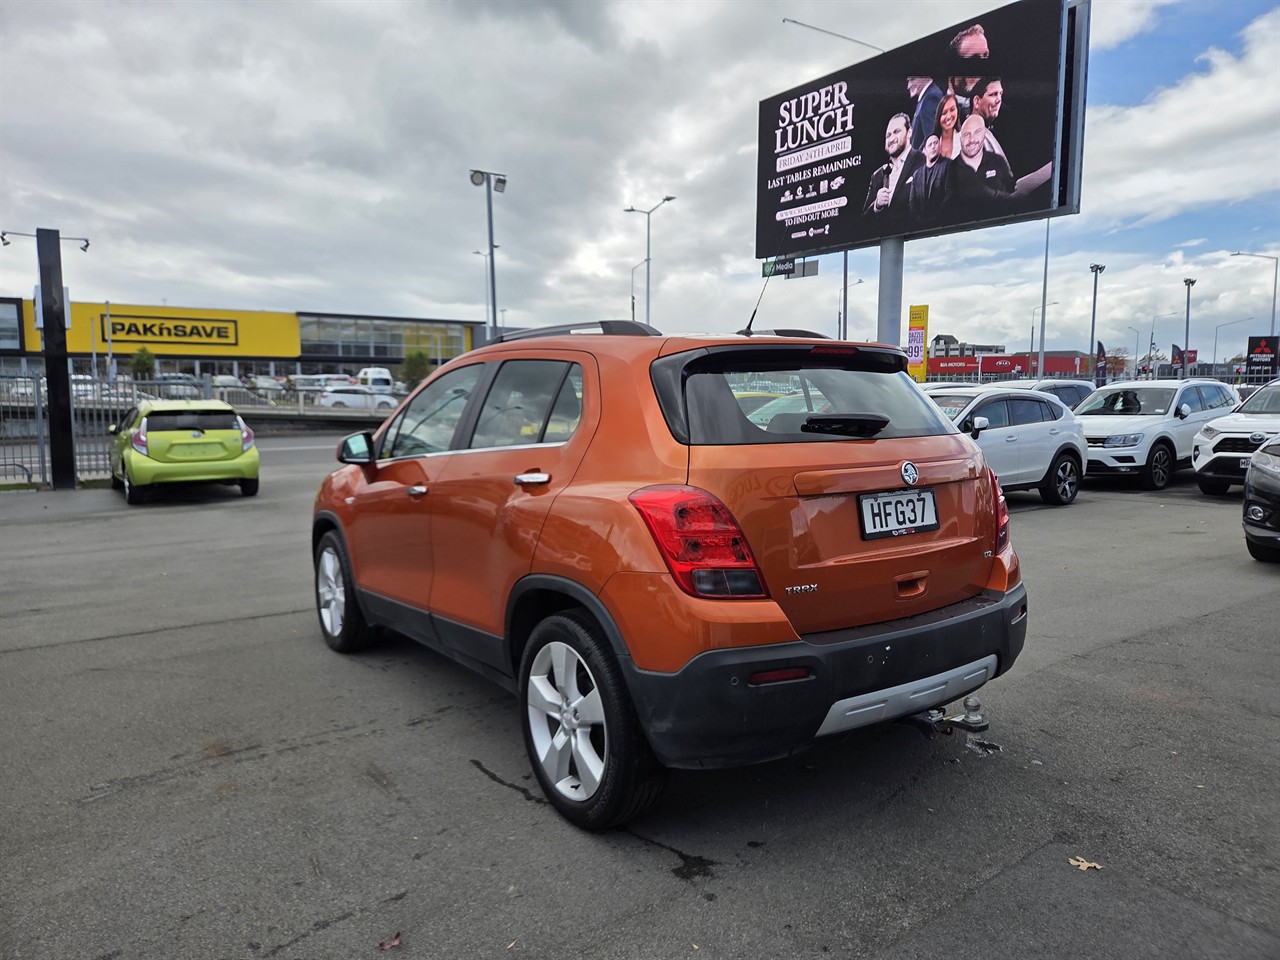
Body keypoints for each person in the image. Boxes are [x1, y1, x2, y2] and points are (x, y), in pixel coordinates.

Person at [861, 113, 924, 234]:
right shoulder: (877, 176)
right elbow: (862, 222)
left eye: (897, 132)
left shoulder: (923, 161)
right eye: (888, 135)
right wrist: (877, 205)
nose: (891, 139)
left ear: (909, 132)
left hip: (915, 239)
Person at [945, 114, 1015, 220]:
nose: (972, 139)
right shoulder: (951, 168)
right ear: (961, 138)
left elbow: (1013, 196)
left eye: (977, 132)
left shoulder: (997, 160)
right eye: (967, 134)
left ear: (983, 134)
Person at [907, 134, 950, 225]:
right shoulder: (917, 174)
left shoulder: (949, 165)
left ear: (940, 146)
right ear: (925, 151)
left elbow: (950, 196)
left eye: (936, 143)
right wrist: (919, 221)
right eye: (930, 145)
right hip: (920, 227)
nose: (933, 146)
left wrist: (935, 220)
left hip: (942, 224)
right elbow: (912, 203)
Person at [907, 76, 945, 153]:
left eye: (912, 80)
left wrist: (916, 158)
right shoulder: (925, 98)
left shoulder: (930, 97)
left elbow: (932, 141)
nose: (909, 86)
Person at [934, 92, 961, 160]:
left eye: (952, 110)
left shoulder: (964, 139)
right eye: (944, 113)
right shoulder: (930, 142)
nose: (948, 116)